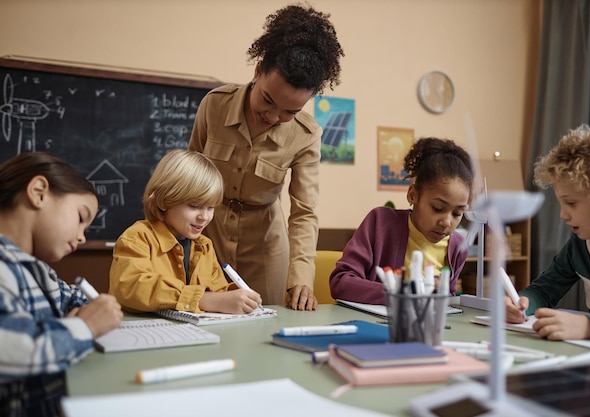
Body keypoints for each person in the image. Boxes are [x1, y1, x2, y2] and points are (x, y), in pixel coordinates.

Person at [187, 4, 344, 310]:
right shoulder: (215, 106)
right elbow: (188, 180)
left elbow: (304, 213)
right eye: (268, 100)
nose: (272, 117)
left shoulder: (306, 134)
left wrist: (301, 278)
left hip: (266, 251)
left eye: (290, 112)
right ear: (258, 71)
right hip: (207, 238)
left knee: (265, 329)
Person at [0, 152, 123, 417]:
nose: (81, 237)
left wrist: (90, 311)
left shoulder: (36, 271)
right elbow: (18, 349)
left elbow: (72, 297)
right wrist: (86, 326)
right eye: (81, 217)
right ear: (39, 192)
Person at [506, 125, 590, 341]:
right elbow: (544, 291)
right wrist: (521, 302)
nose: (563, 215)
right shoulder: (580, 245)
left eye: (571, 203)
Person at [109, 149, 262, 315]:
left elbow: (217, 292)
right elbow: (130, 286)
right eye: (194, 206)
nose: (204, 217)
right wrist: (202, 299)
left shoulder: (204, 246)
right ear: (164, 201)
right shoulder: (138, 238)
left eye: (211, 207)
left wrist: (237, 298)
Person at [329, 137, 474, 304]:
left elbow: (447, 301)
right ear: (413, 195)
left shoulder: (457, 247)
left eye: (457, 213)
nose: (447, 222)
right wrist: (401, 292)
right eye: (437, 208)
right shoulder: (380, 224)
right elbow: (341, 283)